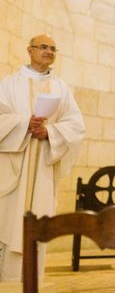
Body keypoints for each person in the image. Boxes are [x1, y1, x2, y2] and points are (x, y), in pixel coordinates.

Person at [0, 34, 85, 282]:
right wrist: (24, 124)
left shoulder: (62, 88)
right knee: (7, 223)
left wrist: (50, 131)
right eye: (43, 47)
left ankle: (30, 283)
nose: (49, 51)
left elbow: (76, 126)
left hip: (43, 171)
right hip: (12, 167)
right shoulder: (9, 84)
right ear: (30, 50)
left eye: (53, 48)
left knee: (37, 225)